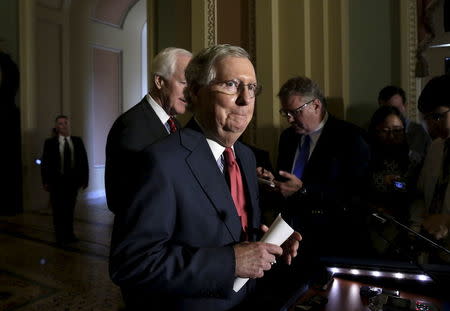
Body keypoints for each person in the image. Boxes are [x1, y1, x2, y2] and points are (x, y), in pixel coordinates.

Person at [109, 44, 301, 311]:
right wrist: (231, 262)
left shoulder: (245, 156)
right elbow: (131, 265)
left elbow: (229, 229)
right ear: (196, 92)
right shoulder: (160, 161)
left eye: (252, 88)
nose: (246, 100)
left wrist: (268, 245)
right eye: (232, 85)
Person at [258, 76, 370, 257]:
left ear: (316, 105)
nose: (289, 119)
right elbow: (288, 184)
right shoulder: (287, 138)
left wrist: (304, 190)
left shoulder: (350, 138)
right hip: (291, 242)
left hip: (333, 242)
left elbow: (356, 194)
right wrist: (273, 183)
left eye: (294, 112)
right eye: (285, 113)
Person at [105, 47, 192, 214]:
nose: (189, 93)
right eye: (183, 83)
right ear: (159, 81)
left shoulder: (174, 125)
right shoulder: (130, 126)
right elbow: (123, 199)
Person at [366, 106, 422, 257]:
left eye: (397, 130)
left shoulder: (414, 159)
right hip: (371, 227)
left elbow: (416, 190)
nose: (392, 136)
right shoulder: (366, 157)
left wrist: (397, 184)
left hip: (404, 228)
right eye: (385, 131)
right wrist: (383, 181)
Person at [411, 74, 450, 262]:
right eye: (427, 118)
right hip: (433, 256)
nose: (432, 126)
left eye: (438, 116)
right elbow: (422, 195)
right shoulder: (436, 147)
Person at [41, 115, 89, 244]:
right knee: (58, 211)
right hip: (56, 183)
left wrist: (85, 179)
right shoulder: (50, 143)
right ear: (57, 126)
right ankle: (59, 236)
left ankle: (70, 234)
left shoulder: (77, 141)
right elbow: (45, 163)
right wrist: (45, 181)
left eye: (65, 123)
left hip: (72, 183)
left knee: (69, 210)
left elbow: (84, 161)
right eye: (60, 123)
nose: (63, 125)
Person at [378, 85, 431, 161]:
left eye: (396, 109)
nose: (392, 115)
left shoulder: (418, 132)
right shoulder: (375, 130)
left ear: (405, 106)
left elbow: (418, 162)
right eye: (386, 111)